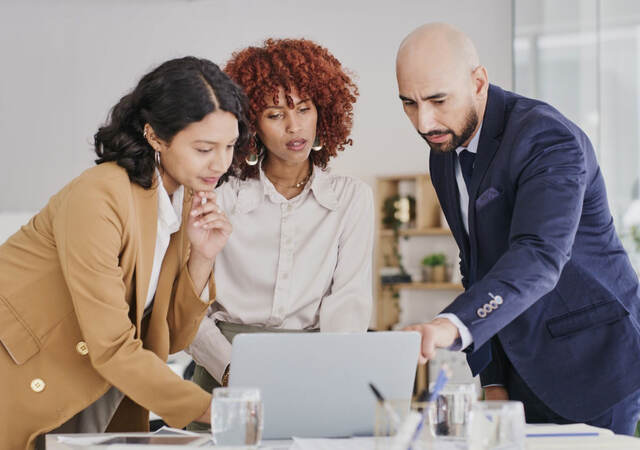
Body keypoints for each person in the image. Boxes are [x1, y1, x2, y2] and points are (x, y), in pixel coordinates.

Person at [396, 23, 640, 435]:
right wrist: (493, 379)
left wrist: (450, 326)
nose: (424, 121)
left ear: (478, 81)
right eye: (409, 103)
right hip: (518, 372)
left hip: (593, 366)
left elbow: (539, 256)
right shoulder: (444, 152)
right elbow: (476, 266)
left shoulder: (546, 137)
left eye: (438, 100)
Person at [0, 56, 251, 449]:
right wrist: (216, 410)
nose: (220, 164)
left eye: (230, 147)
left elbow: (173, 338)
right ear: (155, 137)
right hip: (25, 373)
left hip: (94, 384)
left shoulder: (182, 198)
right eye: (204, 148)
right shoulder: (99, 195)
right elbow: (112, 344)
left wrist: (202, 257)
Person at [186, 38, 373, 407]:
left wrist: (330, 375)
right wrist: (231, 371)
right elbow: (186, 309)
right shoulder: (217, 198)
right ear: (250, 124)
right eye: (275, 114)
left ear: (323, 111)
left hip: (315, 373)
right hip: (222, 370)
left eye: (304, 109)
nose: (294, 126)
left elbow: (348, 305)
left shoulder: (351, 198)